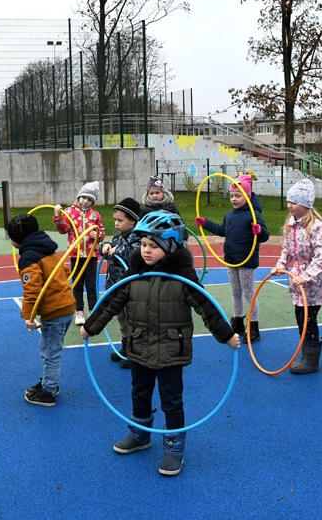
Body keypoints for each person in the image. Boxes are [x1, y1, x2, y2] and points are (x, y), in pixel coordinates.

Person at [80, 212, 240, 477]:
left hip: (170, 351)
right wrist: (91, 327)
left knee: (171, 400)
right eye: (144, 244)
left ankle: (174, 449)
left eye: (153, 246)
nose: (146, 250)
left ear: (171, 246)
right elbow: (112, 301)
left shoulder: (183, 276)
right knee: (139, 393)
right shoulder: (135, 274)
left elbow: (206, 307)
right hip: (139, 347)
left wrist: (226, 335)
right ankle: (140, 435)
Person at [8, 214, 77, 407]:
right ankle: (49, 383)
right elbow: (63, 271)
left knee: (51, 352)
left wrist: (29, 317)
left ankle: (48, 391)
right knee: (48, 349)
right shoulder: (46, 248)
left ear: (17, 238)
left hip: (55, 310)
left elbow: (32, 291)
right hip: (65, 306)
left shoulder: (29, 257)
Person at [269, 179, 322, 374]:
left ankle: (311, 361)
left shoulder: (317, 227)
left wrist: (306, 276)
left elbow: (321, 256)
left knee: (309, 318)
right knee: (300, 317)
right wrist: (280, 266)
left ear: (305, 204)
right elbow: (286, 251)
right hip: (298, 278)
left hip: (315, 281)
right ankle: (307, 354)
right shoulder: (291, 225)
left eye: (294, 202)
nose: (289, 206)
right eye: (289, 201)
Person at [195, 173, 269, 344]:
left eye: (238, 195)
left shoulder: (254, 214)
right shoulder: (230, 215)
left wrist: (259, 231)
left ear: (248, 196)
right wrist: (206, 223)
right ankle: (238, 323)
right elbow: (223, 231)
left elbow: (264, 235)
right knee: (235, 292)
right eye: (232, 196)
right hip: (231, 259)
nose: (234, 199)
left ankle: (254, 327)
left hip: (246, 261)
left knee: (249, 293)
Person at [53, 181, 106, 326]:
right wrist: (57, 216)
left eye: (90, 199)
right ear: (79, 197)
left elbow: (101, 230)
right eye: (84, 197)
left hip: (91, 255)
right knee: (77, 284)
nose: (86, 201)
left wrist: (98, 235)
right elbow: (63, 229)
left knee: (91, 284)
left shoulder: (95, 214)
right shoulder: (70, 212)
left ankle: (93, 310)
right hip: (76, 255)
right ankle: (80, 311)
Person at [99, 197, 142, 367]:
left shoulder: (137, 237)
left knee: (132, 320)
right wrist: (105, 246)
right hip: (116, 287)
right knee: (122, 318)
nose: (116, 223)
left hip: (131, 289)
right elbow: (107, 247)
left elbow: (135, 253)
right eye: (115, 219)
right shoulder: (119, 236)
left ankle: (135, 352)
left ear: (132, 221)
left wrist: (119, 249)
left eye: (120, 220)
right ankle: (125, 347)